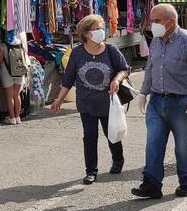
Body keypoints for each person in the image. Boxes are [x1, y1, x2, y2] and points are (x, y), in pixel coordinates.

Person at [132, 4, 187, 199]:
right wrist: (143, 93)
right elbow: (151, 67)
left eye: (157, 21)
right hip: (157, 101)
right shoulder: (157, 41)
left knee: (184, 146)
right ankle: (151, 184)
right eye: (152, 20)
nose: (153, 25)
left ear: (171, 21)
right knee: (153, 144)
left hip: (182, 103)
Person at [50, 14, 130, 185]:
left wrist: (117, 79)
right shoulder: (78, 53)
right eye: (96, 29)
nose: (101, 31)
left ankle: (118, 160)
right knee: (89, 137)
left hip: (108, 102)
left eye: (102, 28)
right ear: (86, 33)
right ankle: (91, 171)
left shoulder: (111, 50)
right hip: (86, 103)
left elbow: (124, 69)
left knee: (112, 134)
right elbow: (68, 79)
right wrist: (58, 100)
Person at [0, 31, 28, 125]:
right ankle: (18, 117)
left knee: (9, 96)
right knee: (17, 95)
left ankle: (12, 118)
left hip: (6, 72)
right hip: (20, 71)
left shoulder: (2, 45)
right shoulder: (19, 42)